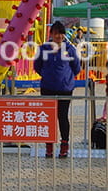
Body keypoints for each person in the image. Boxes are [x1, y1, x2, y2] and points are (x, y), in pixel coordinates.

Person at [34, 21, 81, 158]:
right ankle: (49, 145)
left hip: (65, 88)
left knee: (63, 116)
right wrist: (47, 75)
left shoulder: (70, 49)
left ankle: (64, 145)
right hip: (47, 88)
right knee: (48, 117)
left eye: (61, 33)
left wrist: (67, 78)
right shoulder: (43, 49)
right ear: (51, 34)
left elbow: (76, 67)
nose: (58, 36)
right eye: (55, 33)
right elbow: (37, 66)